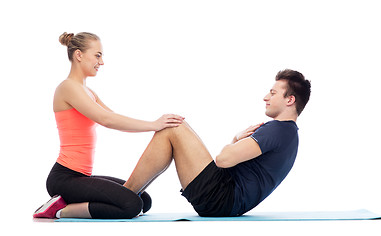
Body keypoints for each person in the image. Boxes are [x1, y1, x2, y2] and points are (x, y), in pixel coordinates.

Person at [33, 32, 184, 219]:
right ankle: (58, 210)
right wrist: (154, 125)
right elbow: (106, 120)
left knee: (144, 200)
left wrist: (154, 124)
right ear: (79, 55)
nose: (101, 62)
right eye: (97, 55)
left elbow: (113, 118)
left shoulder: (88, 92)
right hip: (64, 178)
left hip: (81, 177)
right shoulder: (67, 88)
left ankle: (68, 202)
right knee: (131, 205)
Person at [124, 69, 311, 217]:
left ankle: (124, 197)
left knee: (174, 126)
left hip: (221, 198)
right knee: (172, 129)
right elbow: (235, 165)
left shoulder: (277, 130)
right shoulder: (288, 134)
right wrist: (236, 140)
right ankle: (131, 194)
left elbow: (223, 160)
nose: (265, 97)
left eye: (273, 93)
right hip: (225, 200)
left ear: (290, 99)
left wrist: (235, 141)